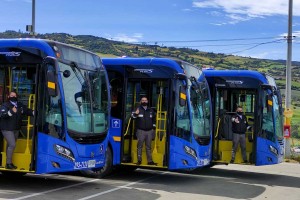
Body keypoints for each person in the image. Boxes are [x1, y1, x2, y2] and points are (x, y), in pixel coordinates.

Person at [0, 91, 34, 169]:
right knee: (12, 144)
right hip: (7, 128)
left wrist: (33, 112)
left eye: (15, 95)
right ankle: (9, 163)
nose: (13, 96)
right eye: (12, 95)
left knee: (10, 145)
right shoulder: (5, 105)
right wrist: (11, 111)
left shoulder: (19, 105)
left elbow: (26, 110)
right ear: (8, 96)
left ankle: (7, 163)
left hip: (16, 128)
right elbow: (2, 115)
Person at [131, 96, 156, 165]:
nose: (144, 101)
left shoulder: (150, 110)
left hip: (149, 131)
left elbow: (154, 119)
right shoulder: (137, 109)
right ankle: (139, 160)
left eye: (145, 100)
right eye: (143, 100)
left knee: (148, 147)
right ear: (141, 101)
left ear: (147, 101)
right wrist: (136, 113)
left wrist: (153, 128)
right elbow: (132, 117)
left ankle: (150, 161)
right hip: (140, 131)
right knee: (139, 146)